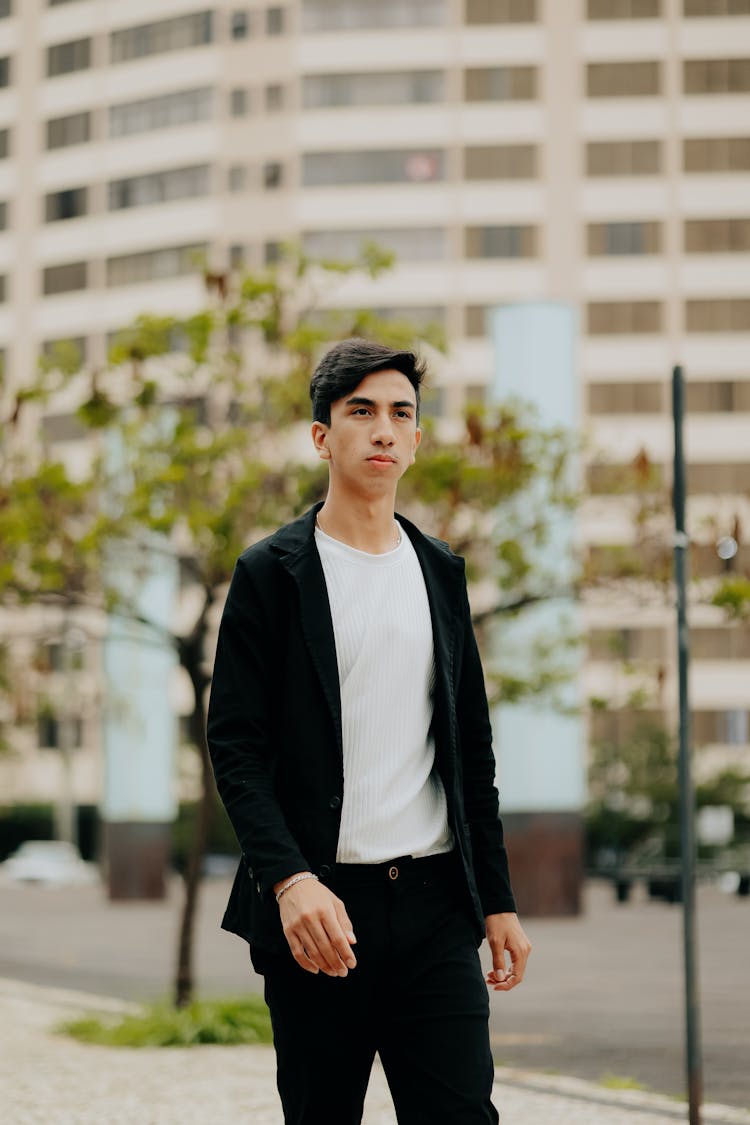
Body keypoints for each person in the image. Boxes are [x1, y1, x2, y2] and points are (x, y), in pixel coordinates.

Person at [207, 338, 531, 1125]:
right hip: (323, 911)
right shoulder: (271, 574)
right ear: (323, 436)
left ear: (417, 439)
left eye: (400, 414)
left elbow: (471, 749)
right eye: (361, 412)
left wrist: (497, 899)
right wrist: (289, 880)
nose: (383, 430)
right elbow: (236, 747)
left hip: (433, 905)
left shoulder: (440, 570)